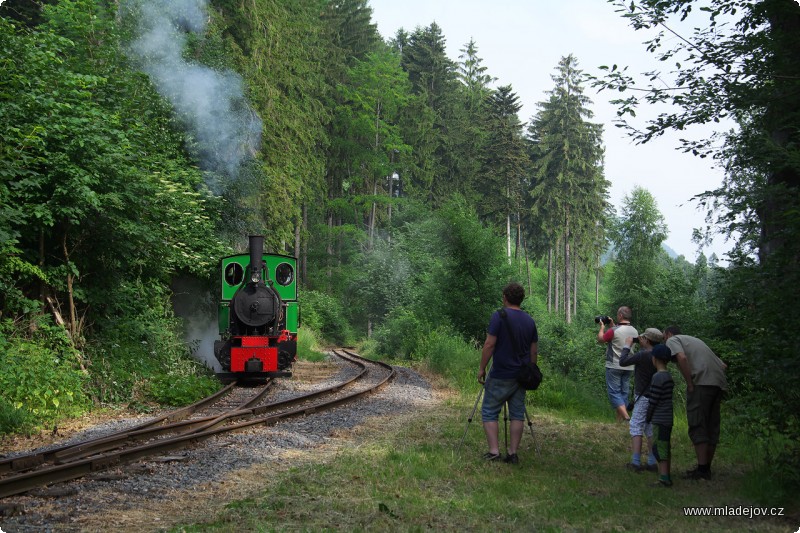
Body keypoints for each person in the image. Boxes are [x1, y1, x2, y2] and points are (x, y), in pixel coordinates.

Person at [478, 282, 538, 464]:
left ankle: (494, 451)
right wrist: (530, 370)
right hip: (520, 376)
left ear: (505, 297)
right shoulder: (529, 321)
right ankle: (512, 453)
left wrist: (482, 367)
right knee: (517, 414)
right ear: (521, 299)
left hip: (500, 373)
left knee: (489, 411)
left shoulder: (499, 316)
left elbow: (489, 344)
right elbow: (533, 351)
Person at [663, 326, 728, 480]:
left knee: (697, 423)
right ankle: (706, 468)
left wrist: (690, 383)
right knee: (712, 425)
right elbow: (723, 365)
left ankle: (702, 470)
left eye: (663, 337)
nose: (664, 341)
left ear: (669, 334)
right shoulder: (695, 340)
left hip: (701, 383)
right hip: (718, 383)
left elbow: (682, 357)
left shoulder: (673, 340)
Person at [619, 328, 664, 472]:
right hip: (656, 396)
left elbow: (623, 361)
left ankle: (636, 462)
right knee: (650, 428)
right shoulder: (659, 356)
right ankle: (651, 462)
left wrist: (627, 345)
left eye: (643, 338)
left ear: (647, 340)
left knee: (636, 426)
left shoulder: (643, 355)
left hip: (643, 397)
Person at [597, 307, 638, 421]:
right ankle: (619, 422)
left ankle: (626, 417)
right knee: (624, 392)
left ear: (620, 315)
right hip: (629, 366)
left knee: (614, 393)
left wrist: (602, 327)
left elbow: (601, 339)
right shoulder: (634, 331)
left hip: (614, 365)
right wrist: (612, 324)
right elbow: (618, 335)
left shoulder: (614, 331)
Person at [646, 344, 675, 487]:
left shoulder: (657, 377)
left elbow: (654, 400)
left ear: (655, 359)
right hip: (668, 417)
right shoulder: (668, 376)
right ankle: (666, 475)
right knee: (665, 445)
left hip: (659, 418)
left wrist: (648, 416)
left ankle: (664, 478)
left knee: (659, 447)